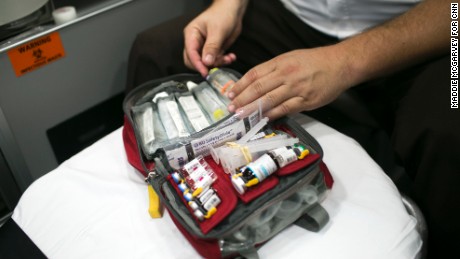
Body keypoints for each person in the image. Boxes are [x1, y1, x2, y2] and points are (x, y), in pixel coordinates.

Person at [126, 0, 459, 257]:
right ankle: (180, 221)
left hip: (423, 32)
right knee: (158, 51)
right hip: (292, 16)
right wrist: (228, 5)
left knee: (450, 131)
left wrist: (343, 61)